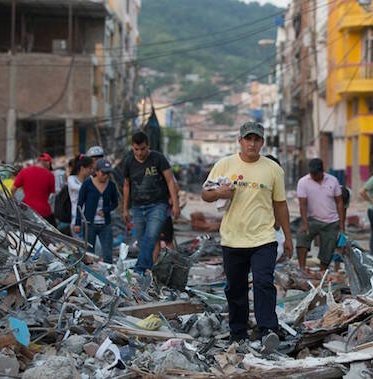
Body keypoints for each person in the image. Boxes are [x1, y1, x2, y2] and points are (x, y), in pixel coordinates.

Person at [202, 121, 293, 351]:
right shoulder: (224, 164)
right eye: (248, 139)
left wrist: (289, 237)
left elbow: (280, 205)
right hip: (233, 238)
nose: (252, 143)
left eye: (257, 139)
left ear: (262, 142)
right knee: (235, 288)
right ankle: (238, 333)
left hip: (264, 238)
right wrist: (219, 193)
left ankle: (268, 330)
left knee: (263, 282)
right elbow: (205, 194)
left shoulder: (273, 169)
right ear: (240, 141)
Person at [123, 132, 180, 277]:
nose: (140, 153)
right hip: (137, 206)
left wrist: (175, 204)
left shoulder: (158, 158)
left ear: (148, 145)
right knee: (142, 242)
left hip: (158, 205)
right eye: (136, 149)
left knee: (151, 236)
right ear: (132, 147)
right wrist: (124, 209)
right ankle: (148, 273)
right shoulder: (129, 161)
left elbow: (170, 181)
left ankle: (139, 269)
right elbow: (126, 186)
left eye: (142, 149)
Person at [296, 158, 345, 272]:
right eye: (311, 173)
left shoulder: (333, 181)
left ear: (322, 171)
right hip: (312, 219)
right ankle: (302, 269)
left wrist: (342, 225)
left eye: (315, 174)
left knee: (328, 249)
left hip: (331, 222)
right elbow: (303, 205)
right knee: (301, 238)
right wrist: (304, 224)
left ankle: (322, 272)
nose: (313, 176)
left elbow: (339, 202)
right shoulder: (303, 182)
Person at [73, 159, 119, 264]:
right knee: (89, 253)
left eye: (108, 173)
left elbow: (115, 203)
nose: (106, 176)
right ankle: (90, 274)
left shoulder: (111, 185)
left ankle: (108, 275)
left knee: (107, 253)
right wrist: (78, 223)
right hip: (90, 224)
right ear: (96, 171)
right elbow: (80, 204)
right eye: (103, 173)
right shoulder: (87, 184)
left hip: (105, 225)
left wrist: (106, 210)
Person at [11, 153, 56, 226]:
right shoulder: (50, 175)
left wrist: (13, 201)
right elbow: (51, 195)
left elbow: (13, 189)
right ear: (48, 163)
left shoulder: (24, 171)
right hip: (44, 213)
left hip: (27, 211)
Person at [68, 155, 94, 234]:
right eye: (89, 168)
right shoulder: (71, 179)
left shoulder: (91, 179)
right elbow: (83, 189)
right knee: (80, 245)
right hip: (76, 217)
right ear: (82, 168)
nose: (91, 170)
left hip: (89, 217)